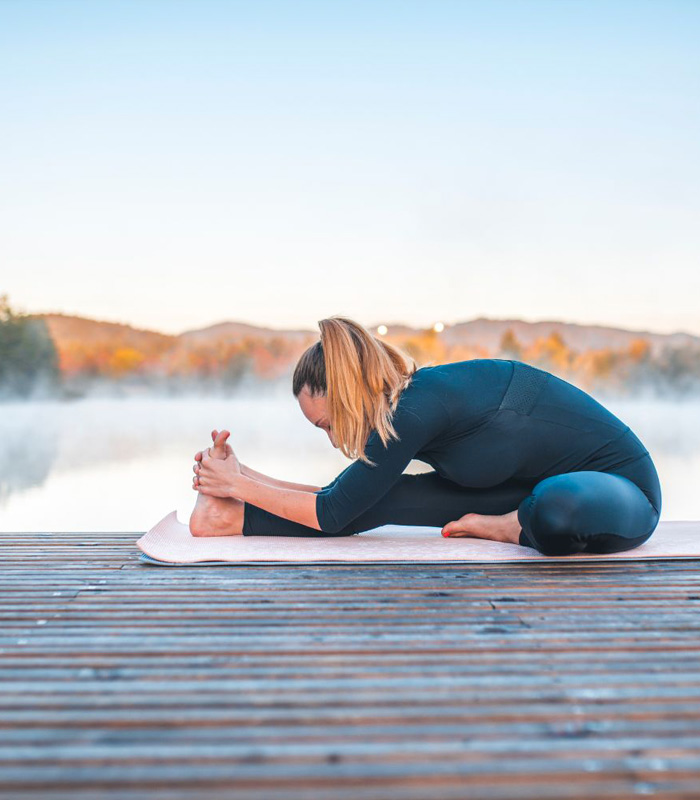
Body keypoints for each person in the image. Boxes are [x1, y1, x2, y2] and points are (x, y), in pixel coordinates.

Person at [190, 316, 661, 556]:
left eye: (328, 422)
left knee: (555, 508)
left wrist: (238, 484)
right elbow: (346, 499)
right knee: (384, 497)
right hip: (518, 490)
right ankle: (225, 520)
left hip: (618, 491)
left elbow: (332, 514)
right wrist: (239, 478)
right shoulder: (403, 410)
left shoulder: (416, 407)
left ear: (350, 394)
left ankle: (508, 526)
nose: (333, 439)